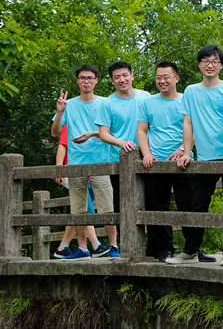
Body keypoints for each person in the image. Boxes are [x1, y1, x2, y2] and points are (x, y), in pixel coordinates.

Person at [173, 45, 223, 265]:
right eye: (205, 61)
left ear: (221, 65)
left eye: (214, 61)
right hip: (205, 156)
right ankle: (190, 251)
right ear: (199, 64)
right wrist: (186, 151)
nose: (210, 65)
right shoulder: (190, 91)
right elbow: (187, 122)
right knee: (197, 204)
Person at [137, 62, 201, 264]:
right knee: (157, 206)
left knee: (190, 205)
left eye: (166, 77)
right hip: (156, 162)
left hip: (183, 162)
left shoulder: (187, 100)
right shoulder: (148, 102)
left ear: (176, 79)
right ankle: (162, 249)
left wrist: (184, 148)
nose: (162, 81)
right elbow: (142, 130)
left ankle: (192, 249)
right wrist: (146, 154)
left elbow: (197, 128)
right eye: (158, 77)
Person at [50, 65, 116, 259]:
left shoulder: (105, 103)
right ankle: (82, 248)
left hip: (101, 163)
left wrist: (92, 134)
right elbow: (55, 133)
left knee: (107, 208)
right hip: (76, 164)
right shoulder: (68, 105)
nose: (86, 81)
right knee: (78, 210)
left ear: (96, 81)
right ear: (78, 81)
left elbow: (113, 130)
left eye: (90, 78)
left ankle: (113, 246)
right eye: (82, 78)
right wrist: (60, 112)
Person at [97, 60, 151, 256]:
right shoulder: (107, 103)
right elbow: (103, 133)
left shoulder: (146, 97)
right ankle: (126, 248)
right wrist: (121, 142)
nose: (122, 79)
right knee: (122, 206)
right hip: (119, 162)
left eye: (125, 75)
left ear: (132, 76)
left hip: (147, 158)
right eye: (117, 77)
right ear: (112, 81)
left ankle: (154, 249)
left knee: (151, 203)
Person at [53, 124, 103, 258]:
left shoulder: (97, 124)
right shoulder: (71, 123)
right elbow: (62, 145)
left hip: (93, 175)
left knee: (77, 211)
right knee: (85, 211)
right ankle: (96, 246)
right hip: (76, 175)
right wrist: (59, 169)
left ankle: (62, 248)